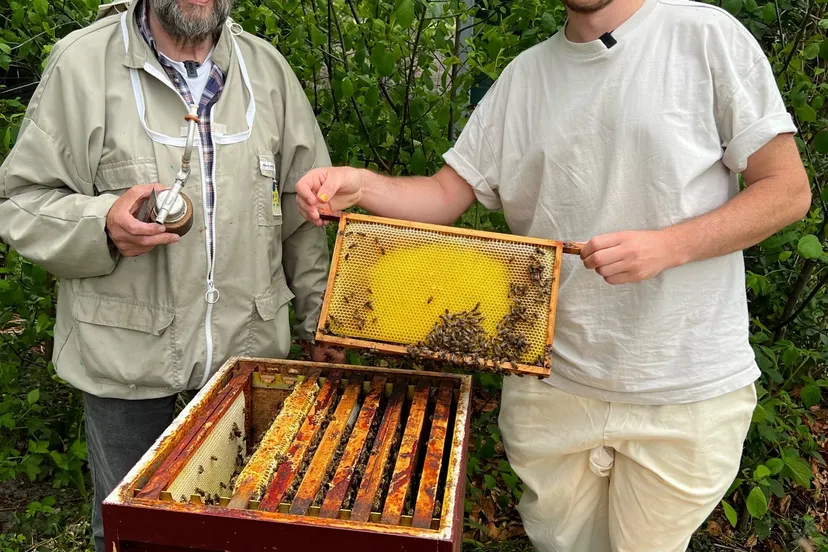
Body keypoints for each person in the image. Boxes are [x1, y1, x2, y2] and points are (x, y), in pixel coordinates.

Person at [294, 0, 812, 549]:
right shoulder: (523, 78)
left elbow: (787, 190)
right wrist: (362, 185)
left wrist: (670, 246)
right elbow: (445, 194)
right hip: (551, 386)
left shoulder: (704, 36)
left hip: (681, 388)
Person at [0, 1, 343, 550]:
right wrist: (102, 225)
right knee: (132, 536)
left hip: (247, 357)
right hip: (126, 364)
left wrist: (319, 322)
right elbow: (20, 201)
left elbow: (305, 213)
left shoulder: (268, 70)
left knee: (243, 531)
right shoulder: (82, 63)